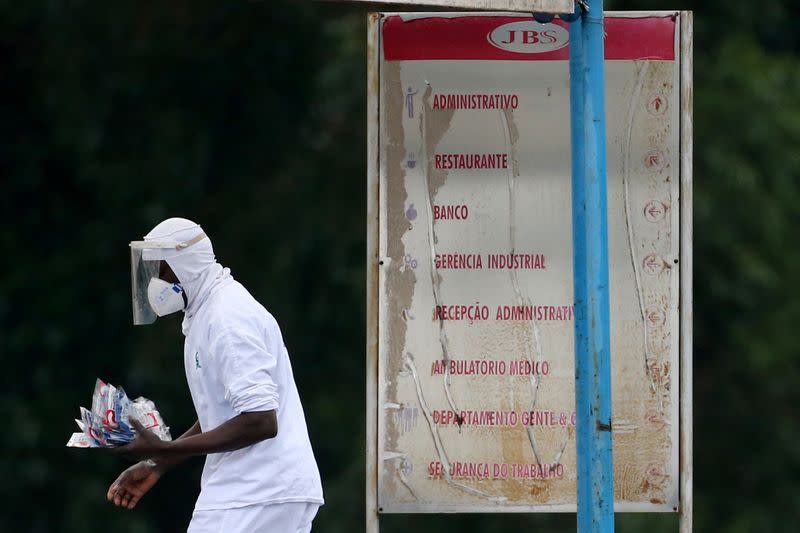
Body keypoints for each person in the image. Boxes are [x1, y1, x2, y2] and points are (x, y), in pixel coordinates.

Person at [107, 217, 324, 532]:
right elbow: (224, 414)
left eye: (160, 269)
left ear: (187, 264)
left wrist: (165, 449)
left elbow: (260, 420)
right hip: (258, 490)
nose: (154, 281)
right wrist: (160, 462)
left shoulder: (227, 317)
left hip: (257, 491)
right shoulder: (206, 313)